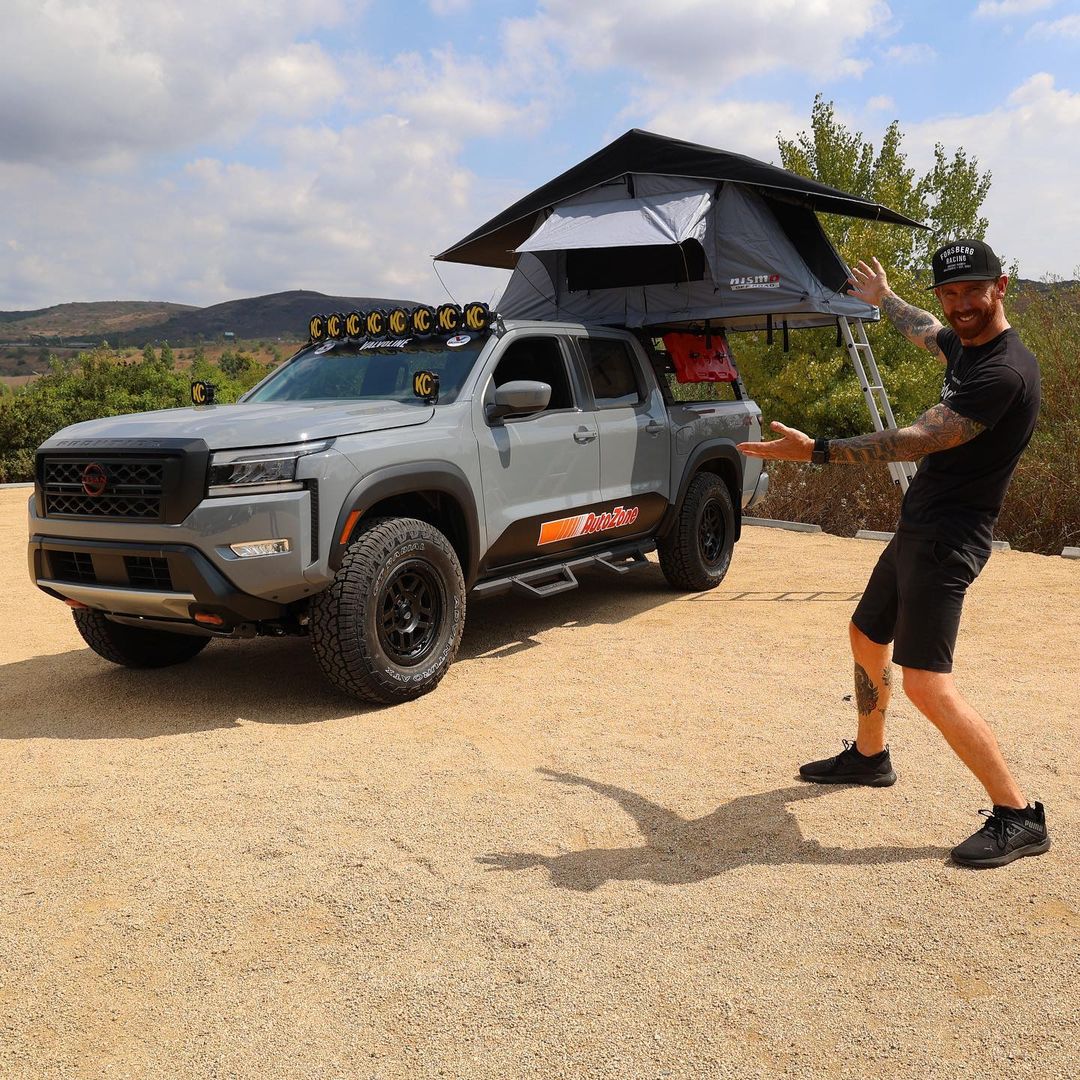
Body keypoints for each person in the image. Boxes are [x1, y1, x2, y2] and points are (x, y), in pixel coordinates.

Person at [737, 239, 1049, 869]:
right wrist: (885, 300)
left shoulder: (1004, 373)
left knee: (927, 683)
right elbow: (929, 331)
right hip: (921, 523)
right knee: (865, 633)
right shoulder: (968, 344)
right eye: (950, 293)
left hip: (949, 537)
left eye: (973, 290)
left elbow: (916, 439)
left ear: (1001, 287)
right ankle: (870, 756)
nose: (960, 305)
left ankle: (1019, 815)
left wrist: (818, 450)